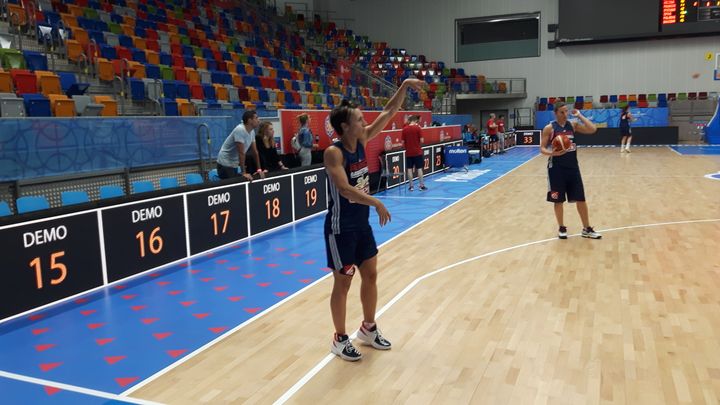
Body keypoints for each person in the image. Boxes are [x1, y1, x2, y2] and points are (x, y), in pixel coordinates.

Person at [325, 78, 425, 361]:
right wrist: (376, 200)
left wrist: (404, 85)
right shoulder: (334, 153)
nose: (364, 120)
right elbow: (345, 190)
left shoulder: (362, 139)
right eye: (358, 118)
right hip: (340, 228)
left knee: (370, 275)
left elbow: (388, 112)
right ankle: (339, 338)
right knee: (343, 283)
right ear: (345, 126)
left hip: (362, 224)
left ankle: (368, 328)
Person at [540, 102, 602, 240]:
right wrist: (552, 154)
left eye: (566, 111)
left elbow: (592, 129)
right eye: (562, 112)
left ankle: (587, 228)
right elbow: (542, 148)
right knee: (558, 200)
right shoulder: (549, 128)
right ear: (555, 113)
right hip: (556, 169)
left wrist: (580, 115)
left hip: (573, 168)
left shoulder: (572, 125)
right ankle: (562, 228)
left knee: (581, 198)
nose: (565, 114)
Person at [216, 110, 265, 181]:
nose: (258, 120)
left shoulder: (252, 131)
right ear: (249, 120)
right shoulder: (240, 130)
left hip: (234, 165)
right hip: (224, 165)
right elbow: (241, 153)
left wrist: (259, 169)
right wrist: (243, 173)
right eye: (256, 118)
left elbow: (255, 152)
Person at [402, 115, 426, 191]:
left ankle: (411, 186)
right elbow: (422, 140)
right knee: (419, 169)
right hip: (417, 152)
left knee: (409, 169)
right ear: (415, 120)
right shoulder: (418, 128)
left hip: (409, 152)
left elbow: (402, 142)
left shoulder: (404, 129)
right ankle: (421, 186)